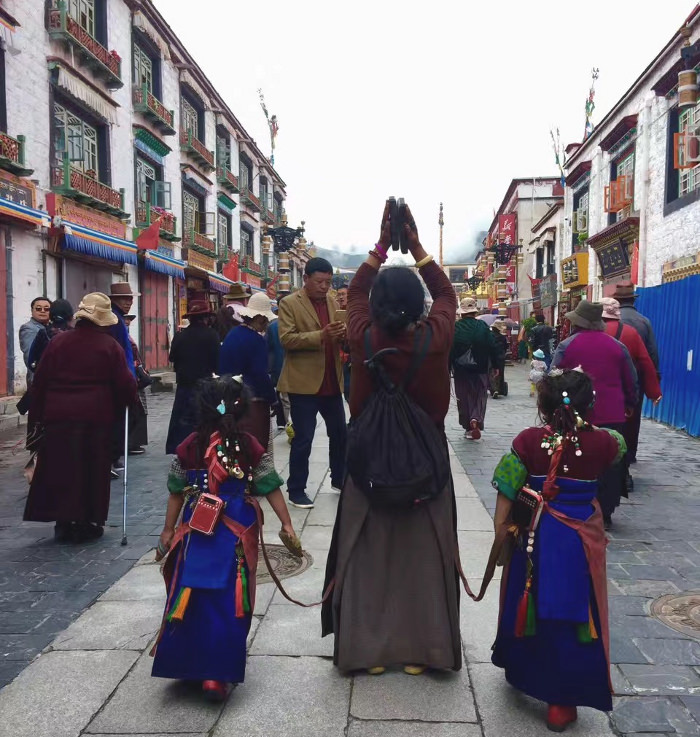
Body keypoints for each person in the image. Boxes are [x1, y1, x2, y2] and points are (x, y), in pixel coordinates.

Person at [322, 202, 461, 675]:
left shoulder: (362, 335)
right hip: (426, 462)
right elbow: (447, 293)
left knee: (367, 554)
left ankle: (369, 653)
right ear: (417, 305)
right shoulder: (436, 335)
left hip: (368, 460)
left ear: (377, 306)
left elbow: (356, 290)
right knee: (423, 554)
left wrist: (382, 245)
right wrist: (417, 245)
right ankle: (424, 652)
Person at [490, 369, 625, 732]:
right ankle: (561, 703)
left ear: (543, 406)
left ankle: (521, 669)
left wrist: (501, 537)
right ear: (590, 406)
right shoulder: (604, 443)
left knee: (528, 602)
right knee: (574, 616)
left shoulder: (527, 442)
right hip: (579, 545)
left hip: (534, 540)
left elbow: (505, 489)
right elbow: (617, 445)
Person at [152, 375, 301, 700]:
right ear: (242, 408)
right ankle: (216, 674)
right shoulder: (249, 445)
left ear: (202, 408)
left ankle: (188, 663)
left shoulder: (190, 444)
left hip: (197, 527)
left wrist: (168, 529)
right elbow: (269, 485)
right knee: (230, 595)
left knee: (191, 591)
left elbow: (177, 491)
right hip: (237, 528)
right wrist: (286, 523)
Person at [23, 293, 137, 543]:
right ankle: (87, 521)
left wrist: (38, 416)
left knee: (62, 468)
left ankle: (63, 522)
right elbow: (126, 383)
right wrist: (131, 400)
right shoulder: (109, 346)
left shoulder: (58, 343)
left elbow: (40, 381)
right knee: (91, 469)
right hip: (95, 417)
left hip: (59, 416)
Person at [218, 292, 301, 555]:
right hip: (252, 399)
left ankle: (238, 476)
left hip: (230, 397)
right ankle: (256, 482)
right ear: (259, 320)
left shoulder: (233, 335)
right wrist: (272, 397)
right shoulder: (254, 340)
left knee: (235, 440)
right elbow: (259, 373)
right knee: (257, 445)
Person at [551, 301, 638, 528]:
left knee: (578, 456)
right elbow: (630, 380)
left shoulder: (567, 346)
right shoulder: (618, 347)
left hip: (576, 412)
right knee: (610, 460)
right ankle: (606, 511)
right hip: (612, 413)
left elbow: (553, 377)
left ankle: (579, 503)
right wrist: (630, 402)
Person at [277, 257, 347, 508]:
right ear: (305, 279)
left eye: (328, 282)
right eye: (319, 281)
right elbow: (287, 340)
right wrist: (322, 335)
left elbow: (337, 338)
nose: (324, 287)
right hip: (303, 384)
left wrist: (342, 334)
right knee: (303, 438)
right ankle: (296, 489)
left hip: (331, 380)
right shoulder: (288, 303)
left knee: (340, 433)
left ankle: (340, 479)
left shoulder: (332, 301)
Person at [601, 298, 662, 488]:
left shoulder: (592, 332)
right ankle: (623, 471)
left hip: (595, 391)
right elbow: (646, 361)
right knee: (626, 430)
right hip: (625, 390)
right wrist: (653, 391)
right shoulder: (633, 331)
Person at [613, 281, 660, 463]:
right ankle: (630, 452)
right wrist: (654, 378)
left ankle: (614, 447)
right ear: (633, 301)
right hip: (637, 376)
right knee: (634, 416)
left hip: (615, 374)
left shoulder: (611, 321)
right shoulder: (644, 321)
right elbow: (652, 353)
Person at [166, 301, 220, 454]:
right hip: (204, 385)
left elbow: (171, 358)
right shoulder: (211, 335)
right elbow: (216, 363)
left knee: (183, 420)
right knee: (202, 419)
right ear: (206, 318)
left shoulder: (180, 336)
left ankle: (180, 448)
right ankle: (203, 447)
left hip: (184, 384)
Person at [451, 297, 500, 440]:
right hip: (480, 368)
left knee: (464, 396)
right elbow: (493, 346)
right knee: (479, 395)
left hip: (460, 370)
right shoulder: (482, 326)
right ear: (474, 312)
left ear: (461, 313)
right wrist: (496, 366)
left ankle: (468, 425)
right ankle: (475, 418)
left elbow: (448, 348)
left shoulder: (455, 328)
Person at [123, 314, 149, 456]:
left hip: (135, 374)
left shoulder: (128, 336)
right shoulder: (123, 337)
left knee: (138, 410)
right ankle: (131, 443)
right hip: (131, 375)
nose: (127, 322)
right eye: (125, 319)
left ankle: (134, 442)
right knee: (134, 410)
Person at [27, 299, 74, 374]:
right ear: (71, 316)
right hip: (71, 380)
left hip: (47, 380)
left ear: (50, 314)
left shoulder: (43, 333)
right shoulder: (76, 334)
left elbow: (31, 360)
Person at [267, 298, 289, 430]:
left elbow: (268, 349)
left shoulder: (272, 326)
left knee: (281, 395)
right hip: (292, 367)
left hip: (277, 366)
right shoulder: (296, 324)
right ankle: (290, 423)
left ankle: (282, 421)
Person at [19, 297, 51, 384]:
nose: (43, 311)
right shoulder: (29, 328)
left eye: (47, 309)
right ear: (32, 311)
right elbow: (30, 357)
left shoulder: (52, 327)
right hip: (37, 379)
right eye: (38, 308)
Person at [490, 320, 509, 398]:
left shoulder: (490, 336)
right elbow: (505, 347)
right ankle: (500, 388)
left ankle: (494, 389)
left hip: (491, 356)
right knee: (501, 373)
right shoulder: (502, 337)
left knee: (492, 373)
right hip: (501, 357)